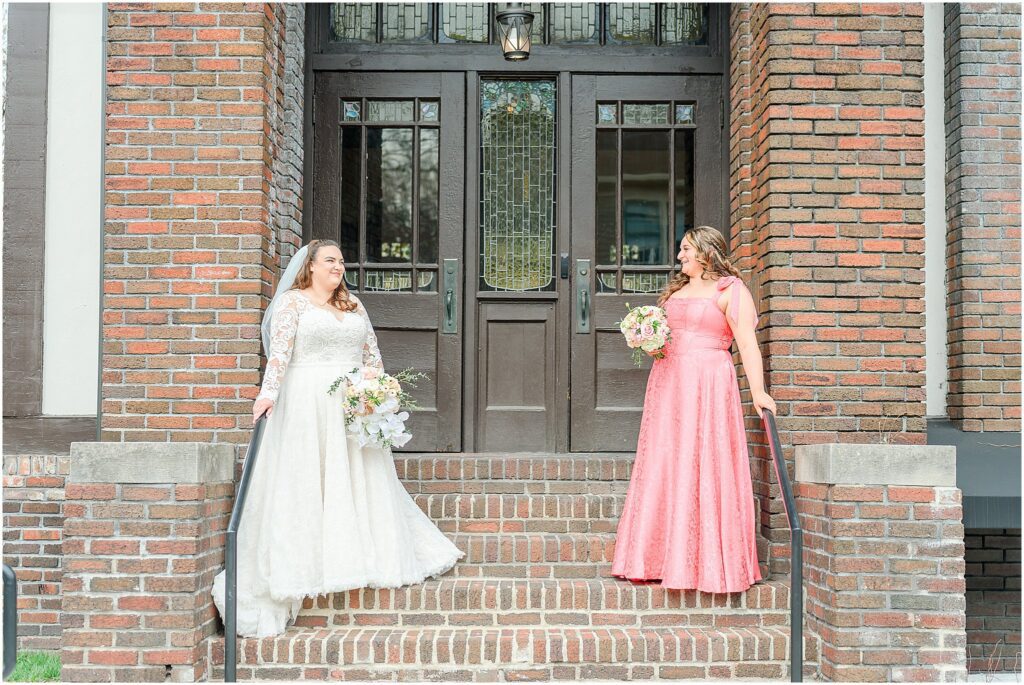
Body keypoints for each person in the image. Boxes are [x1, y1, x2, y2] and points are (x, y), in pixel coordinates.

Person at [212, 239, 462, 637]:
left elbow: (372, 356)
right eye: (330, 260)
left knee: (355, 477)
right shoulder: (292, 303)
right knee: (310, 476)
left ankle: (359, 556)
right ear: (309, 266)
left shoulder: (353, 305)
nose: (338, 267)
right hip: (306, 402)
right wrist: (267, 394)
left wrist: (376, 391)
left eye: (342, 261)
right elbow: (279, 354)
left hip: (350, 404)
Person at [611, 225, 775, 593]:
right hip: (668, 381)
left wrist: (759, 392)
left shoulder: (730, 289)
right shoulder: (678, 290)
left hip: (707, 380)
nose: (680, 255)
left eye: (686, 249)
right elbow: (667, 337)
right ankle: (655, 558)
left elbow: (746, 344)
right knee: (666, 460)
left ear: (705, 252)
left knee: (704, 459)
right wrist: (649, 341)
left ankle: (708, 564)